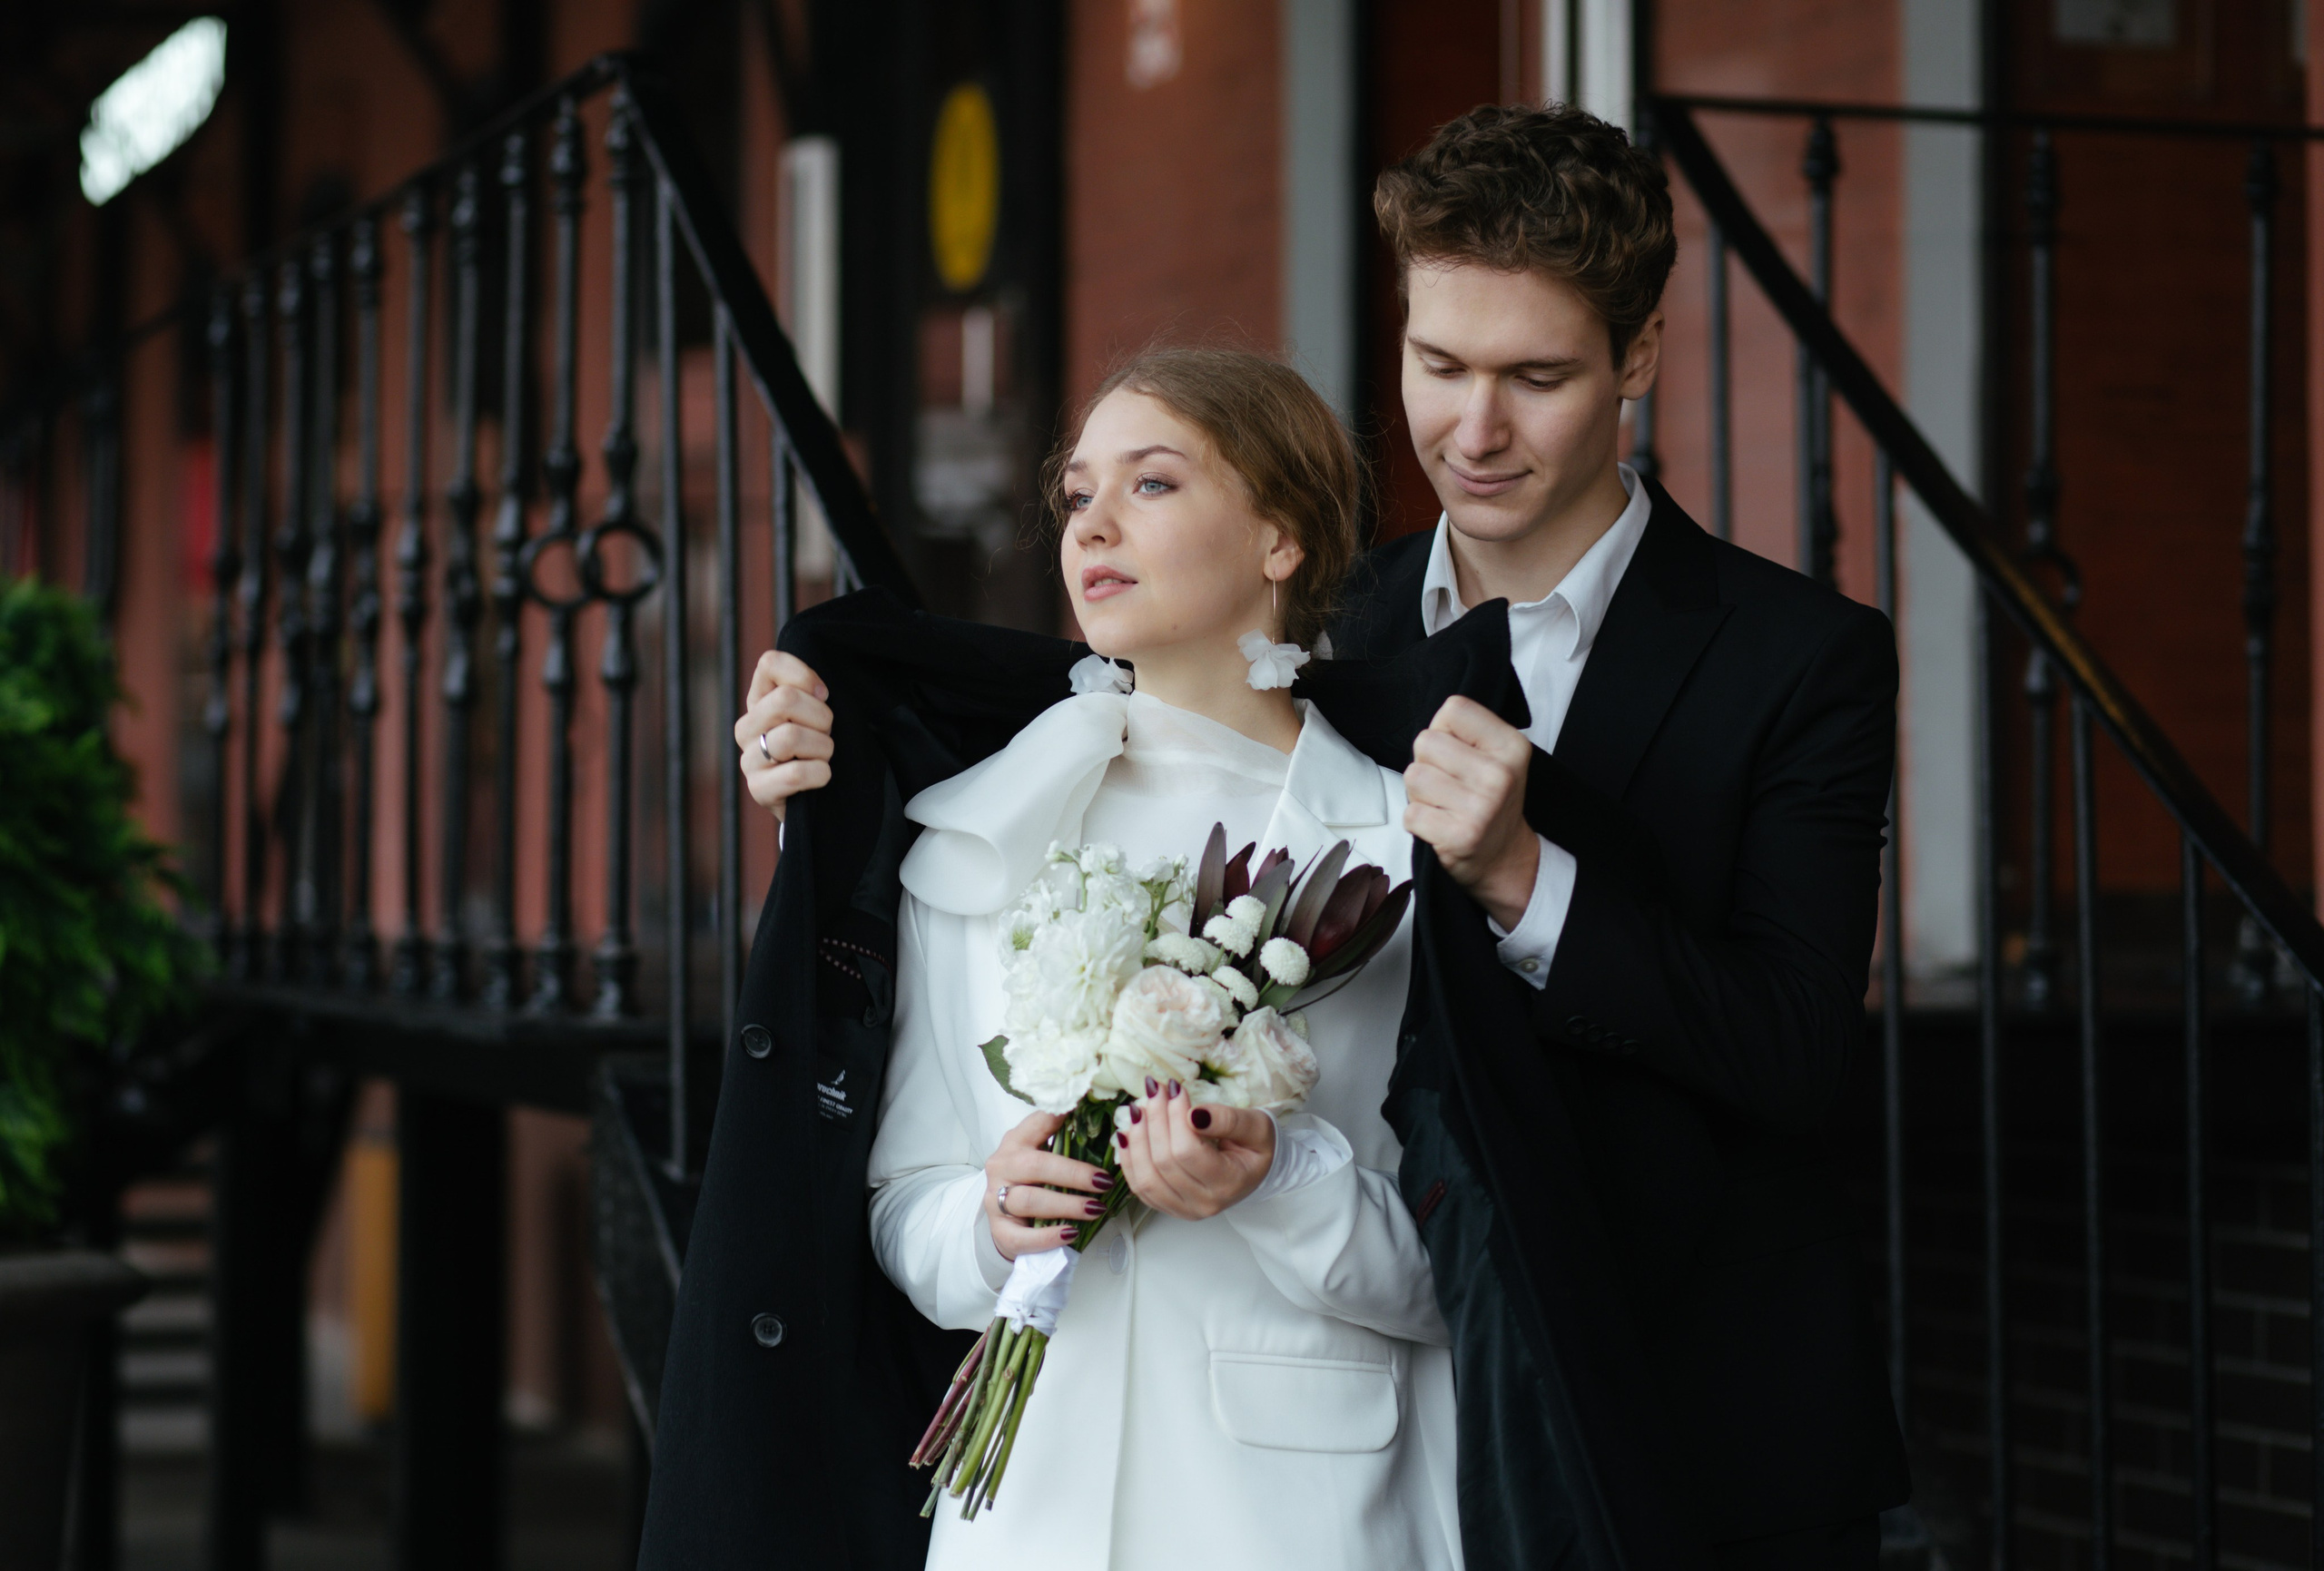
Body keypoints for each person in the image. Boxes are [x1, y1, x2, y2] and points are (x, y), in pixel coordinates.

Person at [732, 103, 1906, 1570]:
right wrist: (827, 740)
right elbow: (1099, 703)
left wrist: (1520, 877)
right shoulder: (1322, 624)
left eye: (1537, 377)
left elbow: (1797, 1046)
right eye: (1439, 365)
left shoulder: (1799, 657)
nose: (1474, 429)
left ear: (1639, 358)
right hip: (1381, 1416)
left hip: (1707, 1409)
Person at [863, 348, 1458, 1570]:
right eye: (1078, 493)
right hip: (1028, 1517)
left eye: (1152, 483)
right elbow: (903, 1205)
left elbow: (1470, 1276)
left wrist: (1284, 1179)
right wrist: (989, 1222)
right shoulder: (979, 835)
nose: (1092, 525)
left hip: (1300, 1514)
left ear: (1281, 538)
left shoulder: (1405, 850)